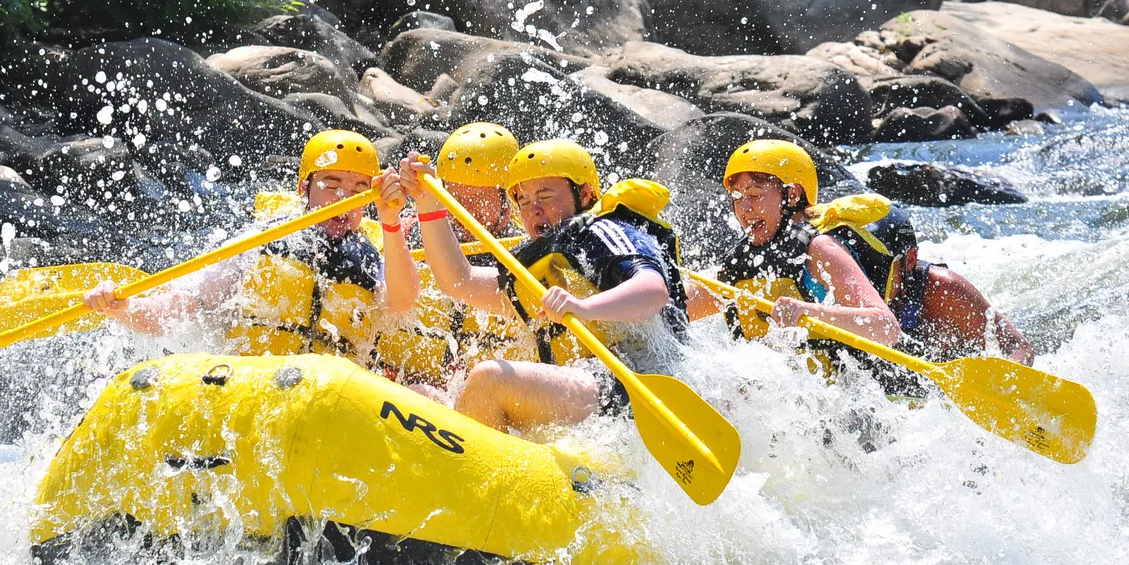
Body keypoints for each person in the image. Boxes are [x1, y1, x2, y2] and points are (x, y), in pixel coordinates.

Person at [400, 138, 691, 433]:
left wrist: (582, 307)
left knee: (489, 380)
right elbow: (460, 282)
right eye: (523, 200)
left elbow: (653, 290)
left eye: (545, 195)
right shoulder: (534, 259)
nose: (533, 210)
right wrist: (427, 202)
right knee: (425, 398)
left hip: (636, 384)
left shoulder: (605, 230)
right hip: (581, 392)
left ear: (585, 192)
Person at [82, 129, 416, 364]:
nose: (344, 199)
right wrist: (122, 309)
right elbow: (179, 308)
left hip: (331, 402)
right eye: (331, 185)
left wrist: (390, 221)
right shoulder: (261, 244)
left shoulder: (373, 257)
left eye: (359, 188)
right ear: (304, 189)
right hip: (255, 389)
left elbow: (402, 301)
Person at [684, 139, 902, 356]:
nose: (744, 208)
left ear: (793, 194)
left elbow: (887, 328)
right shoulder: (738, 262)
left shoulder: (819, 249)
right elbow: (675, 311)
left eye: (755, 195)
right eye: (737, 197)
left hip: (836, 385)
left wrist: (808, 312)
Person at [373, 123, 534, 385]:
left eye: (477, 198)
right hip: (404, 391)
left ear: (508, 199)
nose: (463, 211)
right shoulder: (407, 232)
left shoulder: (527, 253)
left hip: (479, 405)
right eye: (454, 198)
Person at [826, 210, 1035, 364]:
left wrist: (1001, 383)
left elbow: (1018, 346)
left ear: (910, 260)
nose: (861, 276)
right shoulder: (829, 277)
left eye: (875, 266)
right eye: (855, 262)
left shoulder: (944, 290)